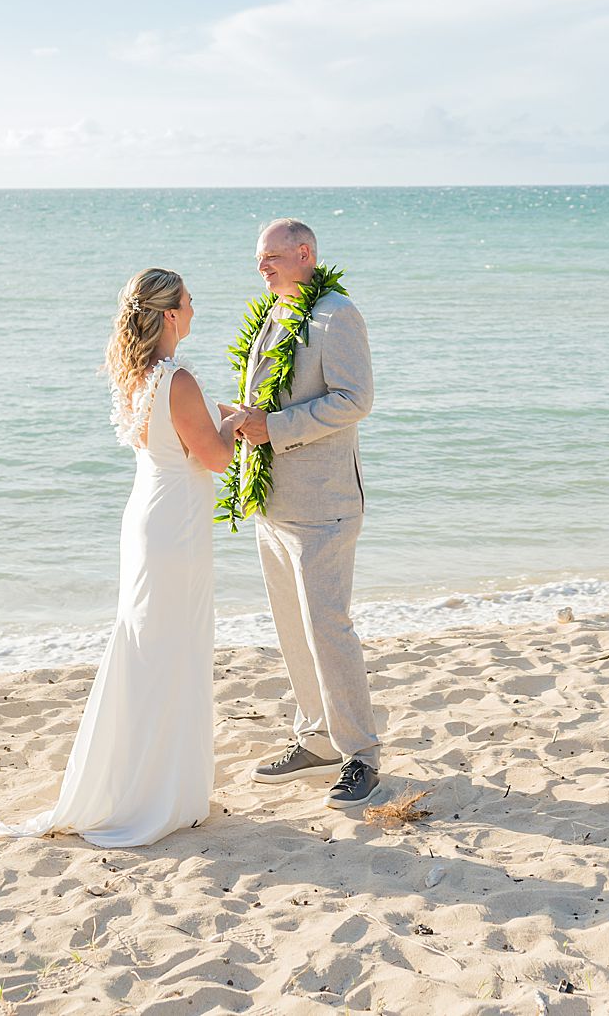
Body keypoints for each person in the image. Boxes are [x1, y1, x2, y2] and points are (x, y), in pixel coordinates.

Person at [0, 269, 244, 847]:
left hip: (146, 518)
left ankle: (150, 783)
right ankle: (160, 794)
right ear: (167, 315)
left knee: (149, 648)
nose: (195, 306)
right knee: (174, 649)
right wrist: (234, 422)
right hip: (175, 526)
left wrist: (214, 415)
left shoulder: (139, 375)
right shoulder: (178, 379)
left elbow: (173, 438)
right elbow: (214, 458)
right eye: (188, 300)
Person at [221, 219, 381, 810]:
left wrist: (275, 428)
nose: (260, 268)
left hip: (324, 503)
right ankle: (314, 739)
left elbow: (354, 399)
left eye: (269, 258)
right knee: (292, 627)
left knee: (328, 628)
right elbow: (276, 394)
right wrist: (244, 417)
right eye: (259, 258)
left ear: (304, 254)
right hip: (273, 501)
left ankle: (360, 755)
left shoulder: (337, 315)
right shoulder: (277, 310)